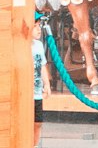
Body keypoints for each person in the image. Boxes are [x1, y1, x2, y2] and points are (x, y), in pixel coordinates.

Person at [32, 18, 50, 148]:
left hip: (37, 92)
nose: (39, 29)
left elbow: (43, 66)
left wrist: (47, 84)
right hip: (26, 93)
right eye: (35, 26)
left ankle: (34, 145)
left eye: (39, 26)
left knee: (37, 122)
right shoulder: (21, 46)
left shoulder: (38, 45)